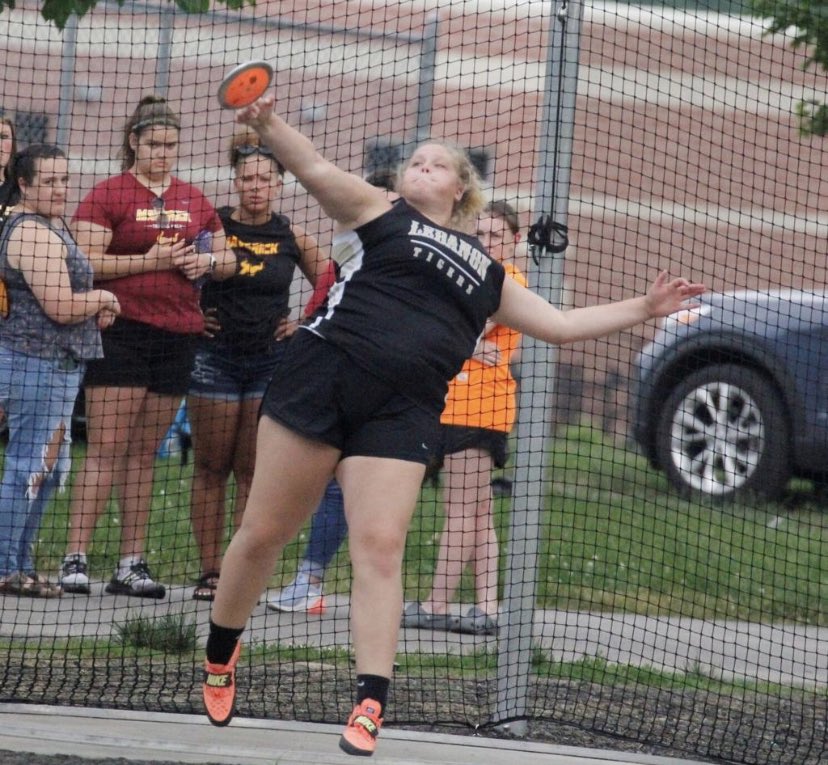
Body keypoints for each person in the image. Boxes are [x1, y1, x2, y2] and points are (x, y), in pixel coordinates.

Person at [201, 93, 704, 757]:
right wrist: (265, 123)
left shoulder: (489, 271)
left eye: (438, 164)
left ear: (464, 188)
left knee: (379, 545)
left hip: (403, 411)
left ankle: (371, 701)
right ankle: (220, 652)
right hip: (323, 378)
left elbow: (559, 325)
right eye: (416, 160)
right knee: (265, 533)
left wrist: (644, 305)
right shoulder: (380, 213)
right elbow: (316, 167)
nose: (423, 166)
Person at [58, 95, 236, 598]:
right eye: (154, 143)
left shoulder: (193, 198)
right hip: (123, 329)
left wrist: (207, 265)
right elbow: (85, 264)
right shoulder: (109, 194)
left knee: (143, 454)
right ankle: (76, 557)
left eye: (171, 145)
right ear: (134, 142)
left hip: (179, 333)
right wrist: (153, 260)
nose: (163, 153)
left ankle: (131, 562)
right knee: (107, 449)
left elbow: (227, 260)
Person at [188, 129, 326, 601]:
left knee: (251, 470)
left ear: (279, 183)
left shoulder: (291, 235)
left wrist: (304, 324)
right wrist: (192, 315)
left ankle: (237, 572)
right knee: (210, 466)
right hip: (214, 359)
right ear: (236, 181)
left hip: (268, 363)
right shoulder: (215, 225)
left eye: (264, 179)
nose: (255, 186)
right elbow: (178, 270)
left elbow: (335, 285)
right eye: (247, 178)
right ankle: (209, 571)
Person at [266, 167, 398, 614]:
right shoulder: (344, 255)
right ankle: (302, 577)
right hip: (323, 379)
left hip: (379, 389)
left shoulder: (401, 263)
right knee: (311, 483)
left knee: (354, 489)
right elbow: (321, 311)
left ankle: (317, 580)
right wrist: (303, 327)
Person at [401, 200, 525, 636]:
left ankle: (437, 604)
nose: (485, 242)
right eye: (481, 233)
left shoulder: (504, 280)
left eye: (495, 235)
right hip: (472, 404)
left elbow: (456, 329)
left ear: (513, 242)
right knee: (478, 512)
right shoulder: (481, 278)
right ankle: (488, 607)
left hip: (476, 407)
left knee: (459, 511)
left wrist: (459, 343)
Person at [0, 144, 120, 597]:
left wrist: (92, 309)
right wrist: (104, 300)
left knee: (50, 470)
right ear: (25, 184)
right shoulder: (30, 231)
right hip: (35, 365)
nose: (60, 188)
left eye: (65, 179)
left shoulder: (54, 224)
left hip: (59, 366)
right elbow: (60, 306)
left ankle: (19, 563)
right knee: (28, 466)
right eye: (48, 181)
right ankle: (5, 567)